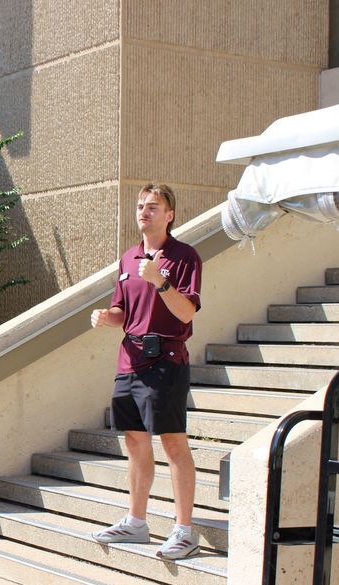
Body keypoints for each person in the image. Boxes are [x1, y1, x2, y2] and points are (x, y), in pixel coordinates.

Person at [90, 182, 203, 560]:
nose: (144, 212)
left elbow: (186, 312)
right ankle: (136, 522)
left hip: (166, 361)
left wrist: (161, 280)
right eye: (141, 206)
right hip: (130, 360)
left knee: (172, 442)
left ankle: (184, 530)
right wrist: (109, 317)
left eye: (153, 207)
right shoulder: (127, 258)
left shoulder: (184, 256)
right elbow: (123, 310)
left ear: (169, 215)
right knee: (135, 441)